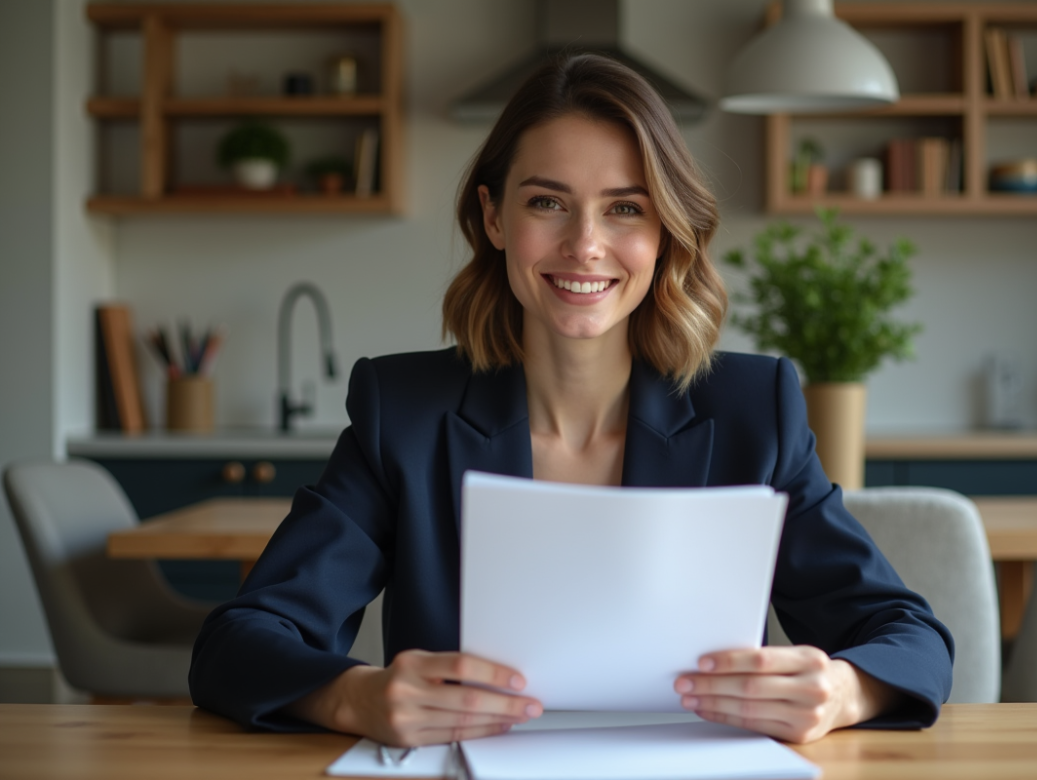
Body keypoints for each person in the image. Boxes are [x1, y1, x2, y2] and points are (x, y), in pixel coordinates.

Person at [189, 53, 953, 747]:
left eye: (625, 208)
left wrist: (841, 691)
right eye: (548, 203)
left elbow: (908, 636)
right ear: (494, 218)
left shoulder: (755, 412)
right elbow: (238, 642)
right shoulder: (405, 414)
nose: (584, 244)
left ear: (664, 231)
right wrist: (356, 698)